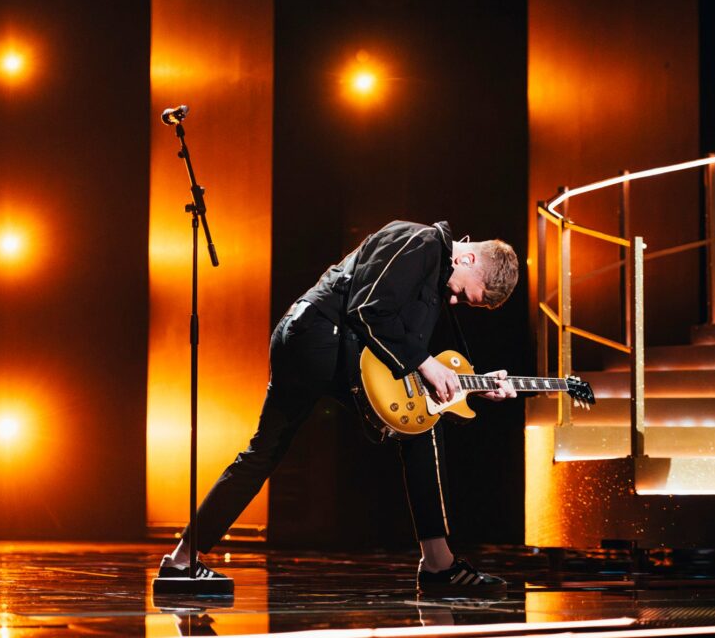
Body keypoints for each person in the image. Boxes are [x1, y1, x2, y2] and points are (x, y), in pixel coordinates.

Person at [156, 220, 520, 595]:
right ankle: (438, 566)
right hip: (321, 336)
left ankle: (181, 562)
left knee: (263, 451)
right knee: (422, 427)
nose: (455, 301)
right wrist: (427, 365)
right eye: (464, 294)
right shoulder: (422, 241)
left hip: (310, 337)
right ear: (468, 259)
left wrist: (468, 385)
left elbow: (400, 349)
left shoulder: (432, 269)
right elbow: (369, 311)